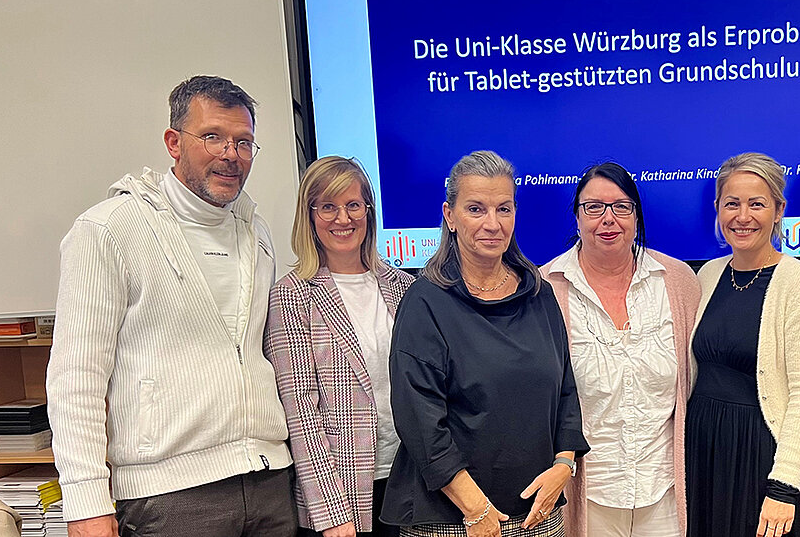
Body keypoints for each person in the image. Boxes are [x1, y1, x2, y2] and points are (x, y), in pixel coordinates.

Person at [47, 76, 295, 537]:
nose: (231, 154)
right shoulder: (108, 230)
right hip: (171, 497)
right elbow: (76, 377)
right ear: (174, 142)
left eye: (244, 142)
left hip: (270, 484)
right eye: (213, 137)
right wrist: (85, 503)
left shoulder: (255, 232)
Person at [381, 150, 590, 537]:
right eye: (476, 209)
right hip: (456, 520)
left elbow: (565, 391)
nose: (492, 224)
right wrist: (475, 509)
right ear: (450, 216)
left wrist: (564, 465)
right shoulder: (426, 302)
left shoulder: (538, 293)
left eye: (503, 209)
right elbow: (419, 420)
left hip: (538, 514)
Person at [541, 163, 700, 537]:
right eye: (594, 207)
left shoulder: (679, 282)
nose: (608, 218)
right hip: (588, 495)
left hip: (664, 492)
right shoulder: (545, 287)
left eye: (621, 206)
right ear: (577, 217)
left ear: (636, 215)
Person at [265, 156, 415, 536]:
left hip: (409, 480)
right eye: (328, 206)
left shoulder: (405, 288)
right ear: (310, 215)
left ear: (369, 211)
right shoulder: (292, 295)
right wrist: (332, 514)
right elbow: (301, 412)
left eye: (353, 205)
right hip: (344, 495)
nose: (343, 218)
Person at [685, 152, 800, 537]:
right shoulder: (707, 275)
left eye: (757, 204)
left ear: (779, 210)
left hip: (759, 458)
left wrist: (784, 487)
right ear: (718, 209)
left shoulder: (799, 283)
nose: (743, 216)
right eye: (732, 203)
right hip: (702, 451)